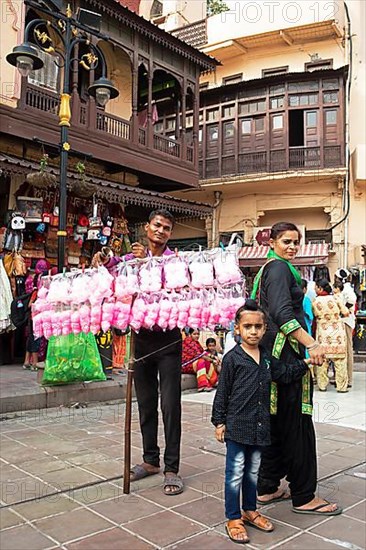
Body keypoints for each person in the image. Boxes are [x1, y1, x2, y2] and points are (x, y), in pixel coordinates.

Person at [251, 222, 342, 516]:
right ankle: (304, 496)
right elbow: (281, 312)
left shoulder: (269, 269)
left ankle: (266, 487)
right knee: (298, 426)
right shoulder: (278, 269)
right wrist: (311, 344)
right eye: (286, 241)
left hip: (271, 358)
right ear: (273, 242)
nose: (292, 247)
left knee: (276, 423)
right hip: (287, 357)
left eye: (295, 242)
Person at [92, 210, 183, 495]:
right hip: (140, 341)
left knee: (170, 405)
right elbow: (114, 267)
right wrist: (104, 259)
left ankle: (172, 468)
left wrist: (152, 262)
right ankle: (150, 460)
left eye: (166, 228)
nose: (161, 230)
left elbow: (179, 285)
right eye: (157, 225)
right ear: (147, 227)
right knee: (145, 403)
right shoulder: (131, 260)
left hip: (169, 342)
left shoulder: (175, 261)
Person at [212, 300, 310, 544]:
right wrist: (219, 422)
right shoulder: (233, 359)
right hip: (237, 427)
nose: (253, 331)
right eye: (248, 326)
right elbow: (222, 392)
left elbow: (284, 373)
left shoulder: (266, 358)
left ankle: (250, 510)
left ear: (265, 329)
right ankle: (233, 517)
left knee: (252, 473)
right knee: (235, 474)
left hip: (260, 428)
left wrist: (306, 363)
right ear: (237, 329)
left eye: (258, 326)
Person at [312, 279, 349, 393]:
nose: (314, 289)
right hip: (337, 332)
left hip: (323, 333)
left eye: (316, 287)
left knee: (322, 360)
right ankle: (341, 387)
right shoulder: (336, 298)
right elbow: (346, 312)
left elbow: (314, 315)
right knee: (340, 361)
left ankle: (322, 385)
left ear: (320, 288)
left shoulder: (315, 301)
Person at [335, 268, 357, 388]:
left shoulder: (347, 289)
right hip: (343, 321)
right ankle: (343, 377)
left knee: (348, 349)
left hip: (346, 322)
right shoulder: (345, 289)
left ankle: (348, 379)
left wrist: (344, 311)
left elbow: (352, 301)